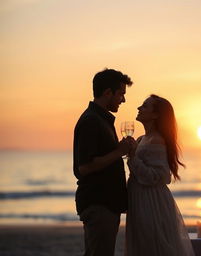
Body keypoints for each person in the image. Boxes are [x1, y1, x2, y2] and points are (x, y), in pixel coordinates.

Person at [73, 68, 133, 256]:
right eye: (121, 94)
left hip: (105, 203)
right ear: (108, 93)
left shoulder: (101, 119)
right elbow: (84, 167)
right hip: (99, 204)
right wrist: (120, 152)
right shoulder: (91, 121)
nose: (123, 99)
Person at [125, 94, 195, 256]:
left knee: (152, 246)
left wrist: (133, 157)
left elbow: (159, 176)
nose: (139, 108)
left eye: (144, 106)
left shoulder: (156, 141)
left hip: (150, 202)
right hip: (140, 199)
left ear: (156, 115)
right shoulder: (143, 139)